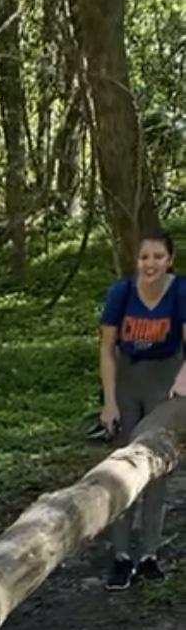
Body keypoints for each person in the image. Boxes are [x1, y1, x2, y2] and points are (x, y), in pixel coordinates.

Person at [100, 228, 186, 589]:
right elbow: (106, 348)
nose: (150, 264)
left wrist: (181, 385)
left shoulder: (180, 291)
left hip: (163, 380)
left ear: (169, 260)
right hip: (127, 381)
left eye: (157, 257)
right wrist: (108, 401)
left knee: (155, 468)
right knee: (121, 467)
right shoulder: (122, 292)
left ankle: (149, 554)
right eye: (144, 257)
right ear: (136, 261)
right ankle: (121, 556)